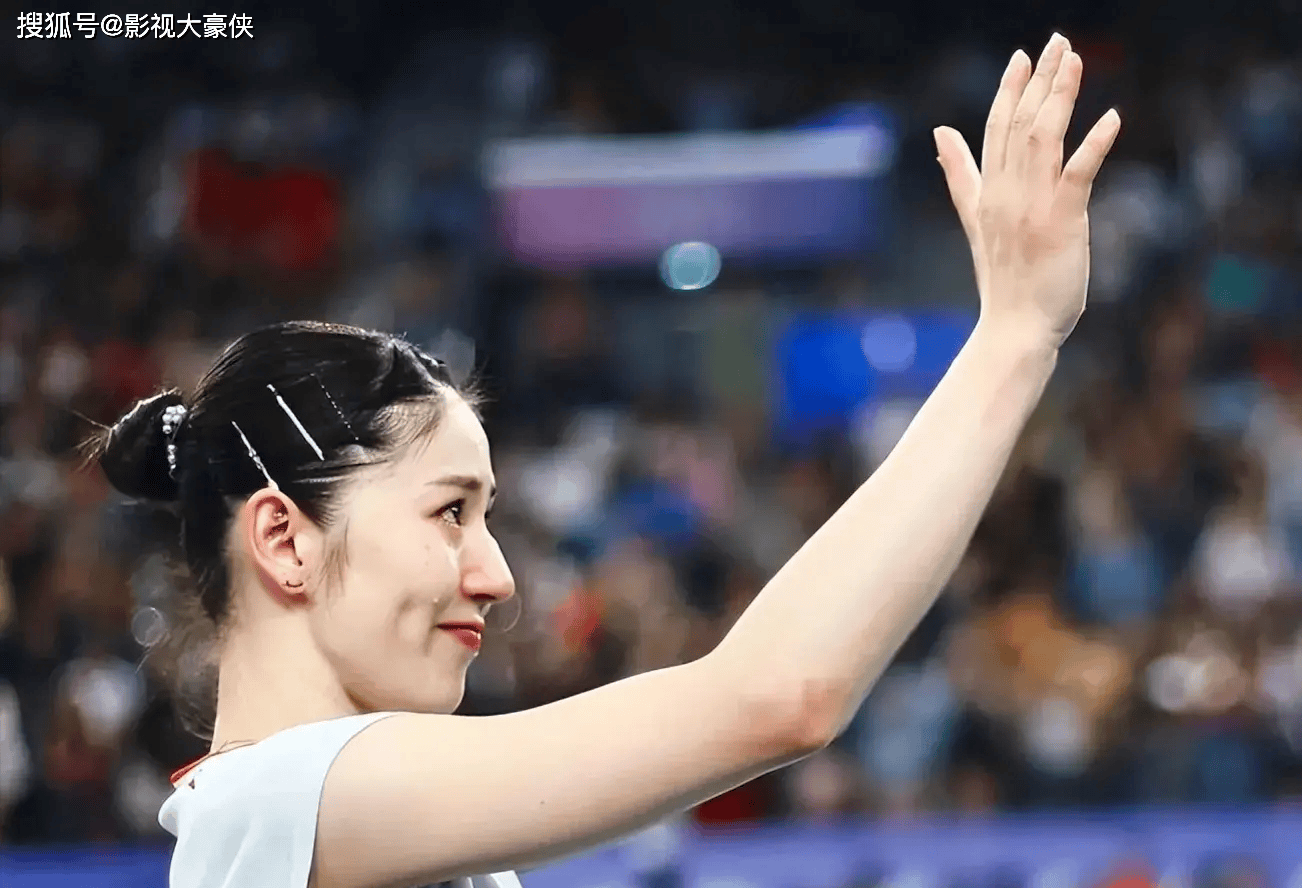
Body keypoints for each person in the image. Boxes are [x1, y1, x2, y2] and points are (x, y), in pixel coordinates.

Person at [92, 32, 1118, 888]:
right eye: (449, 512)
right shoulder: (290, 798)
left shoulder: (312, 814)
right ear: (283, 539)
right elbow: (777, 697)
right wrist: (1013, 338)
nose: (496, 576)